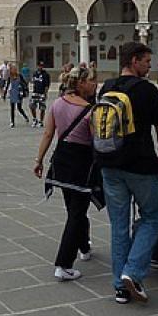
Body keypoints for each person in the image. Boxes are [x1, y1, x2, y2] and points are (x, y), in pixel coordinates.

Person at [97, 42, 158, 304]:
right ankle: (133, 272)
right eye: (147, 62)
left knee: (119, 225)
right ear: (134, 61)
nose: (150, 66)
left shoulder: (106, 87)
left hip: (109, 162)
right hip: (140, 164)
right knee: (152, 216)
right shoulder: (147, 90)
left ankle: (119, 286)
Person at [33, 66, 98, 281]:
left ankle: (84, 247)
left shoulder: (57, 103)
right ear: (80, 84)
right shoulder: (90, 109)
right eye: (91, 80)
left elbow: (48, 133)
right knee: (77, 212)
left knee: (74, 209)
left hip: (61, 160)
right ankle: (63, 263)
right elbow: (95, 141)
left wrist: (39, 160)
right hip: (81, 163)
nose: (95, 84)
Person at [4, 63, 30, 128]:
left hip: (19, 93)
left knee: (19, 108)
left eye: (15, 69)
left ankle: (25, 116)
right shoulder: (10, 77)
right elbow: (7, 86)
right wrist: (4, 94)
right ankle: (12, 122)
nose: (14, 70)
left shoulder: (19, 76)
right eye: (13, 69)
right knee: (12, 108)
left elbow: (24, 83)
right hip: (13, 93)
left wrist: (26, 90)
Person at [29, 62, 51, 127]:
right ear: (37, 66)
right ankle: (34, 119)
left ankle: (41, 121)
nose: (40, 67)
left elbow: (47, 85)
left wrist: (45, 93)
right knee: (32, 106)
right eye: (39, 66)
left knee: (42, 108)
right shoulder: (35, 73)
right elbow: (33, 81)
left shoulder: (45, 74)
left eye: (41, 66)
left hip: (42, 93)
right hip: (35, 92)